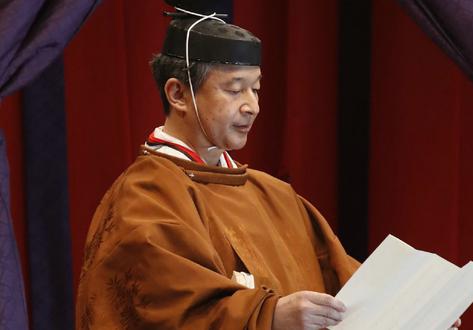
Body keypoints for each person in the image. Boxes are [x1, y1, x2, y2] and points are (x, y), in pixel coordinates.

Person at [75, 4, 360, 330]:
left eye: (256, 89)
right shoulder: (144, 195)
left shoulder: (276, 195)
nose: (251, 106)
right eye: (234, 89)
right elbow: (162, 307)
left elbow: (348, 281)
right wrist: (270, 316)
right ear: (178, 93)